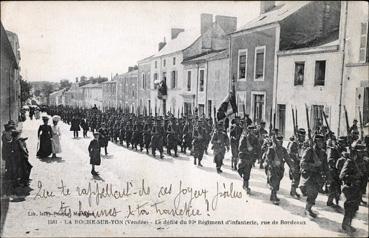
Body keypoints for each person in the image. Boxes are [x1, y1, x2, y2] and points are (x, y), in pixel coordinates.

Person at [340, 142, 367, 232]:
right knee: (349, 207)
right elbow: (342, 175)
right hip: (349, 188)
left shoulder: (363, 162)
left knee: (355, 208)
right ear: (355, 152)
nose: (362, 153)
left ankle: (348, 224)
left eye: (363, 152)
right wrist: (354, 177)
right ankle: (346, 225)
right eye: (360, 152)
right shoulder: (350, 162)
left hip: (358, 189)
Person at [299, 134, 327, 218]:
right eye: (318, 141)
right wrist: (314, 165)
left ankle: (309, 208)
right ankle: (308, 209)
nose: (320, 143)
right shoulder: (309, 151)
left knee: (314, 194)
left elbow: (326, 166)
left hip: (317, 176)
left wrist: (329, 178)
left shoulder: (323, 153)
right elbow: (302, 164)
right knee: (311, 193)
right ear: (315, 142)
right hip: (309, 175)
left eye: (322, 142)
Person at [264, 135, 294, 205]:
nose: (280, 142)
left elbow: (287, 158)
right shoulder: (271, 149)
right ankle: (274, 197)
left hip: (280, 169)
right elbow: (268, 160)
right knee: (274, 182)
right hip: (272, 169)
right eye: (279, 141)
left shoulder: (283, 149)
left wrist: (291, 166)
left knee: (277, 182)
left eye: (281, 141)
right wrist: (273, 163)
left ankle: (272, 195)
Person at [238, 125, 259, 194]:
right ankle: (245, 185)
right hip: (244, 157)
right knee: (244, 170)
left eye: (253, 130)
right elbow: (240, 148)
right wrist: (247, 150)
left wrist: (255, 151)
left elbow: (258, 147)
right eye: (251, 131)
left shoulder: (255, 139)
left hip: (251, 158)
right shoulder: (244, 138)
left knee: (247, 171)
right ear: (249, 131)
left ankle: (245, 185)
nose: (252, 132)